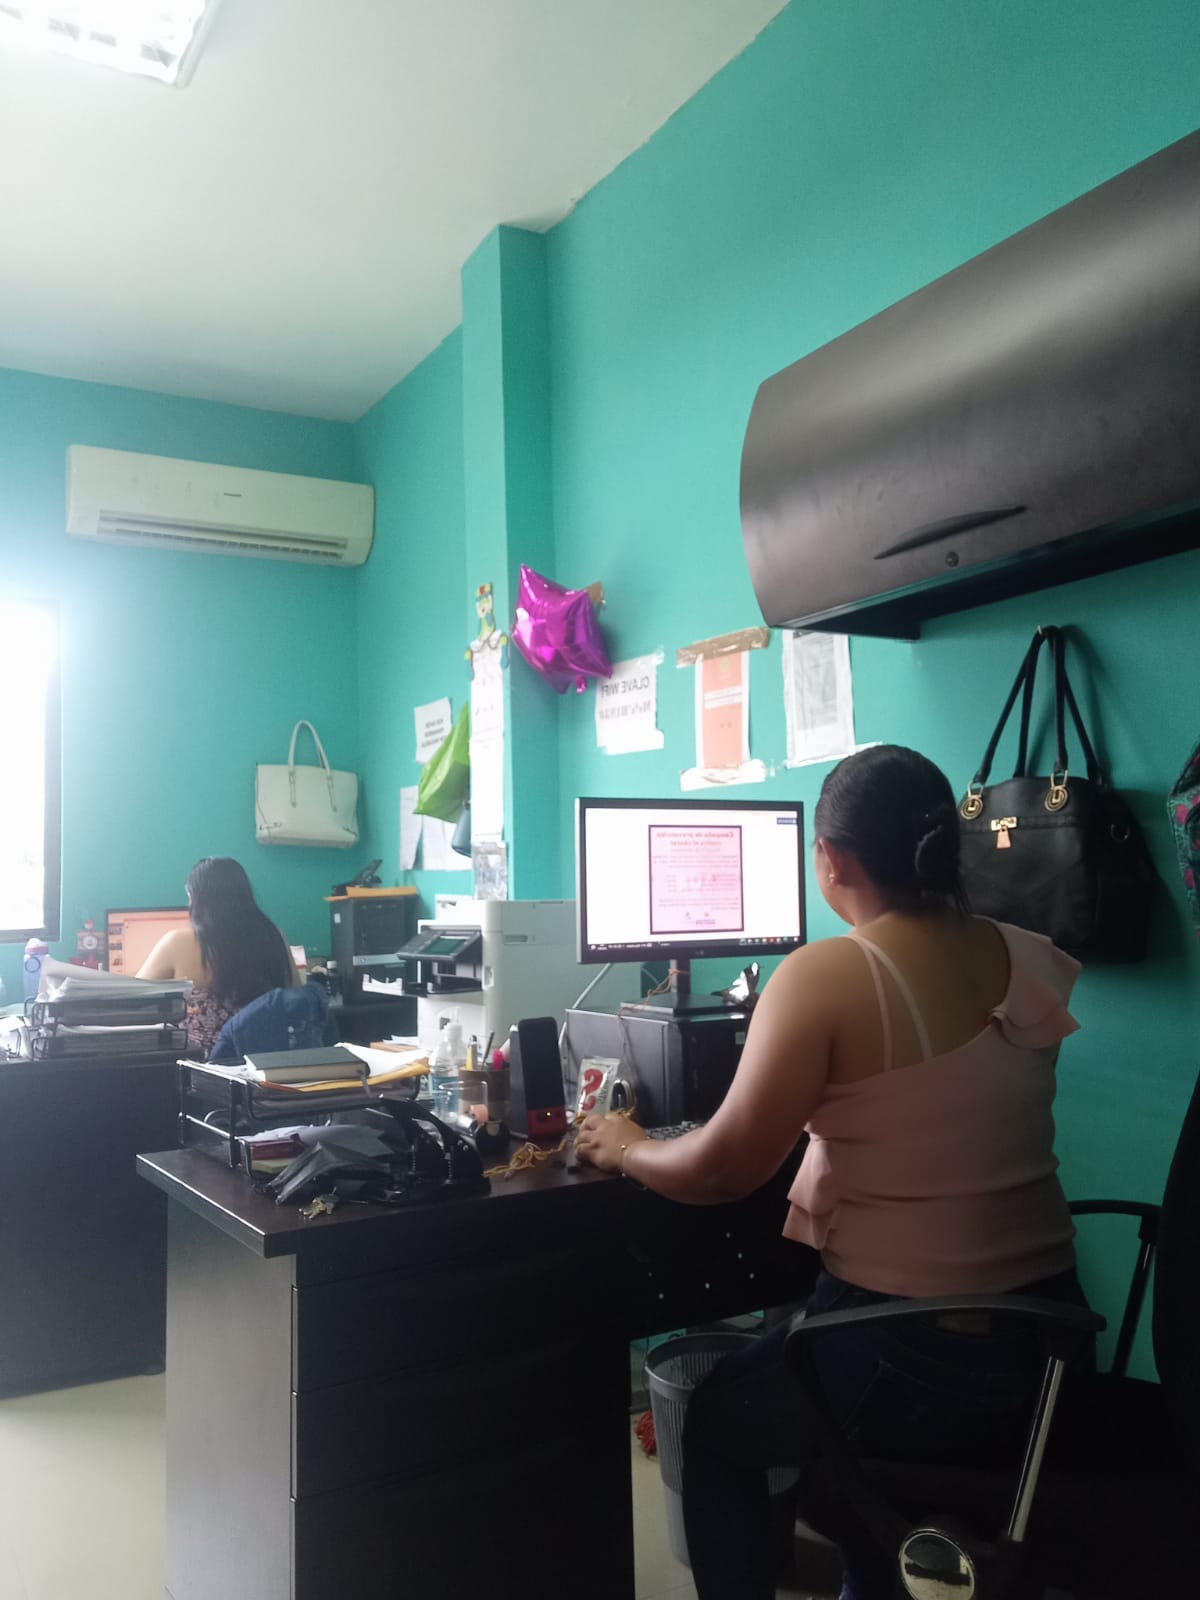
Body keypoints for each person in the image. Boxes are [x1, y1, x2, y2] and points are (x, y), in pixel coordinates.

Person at [576, 745, 1090, 1600]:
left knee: (717, 1418)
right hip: (1053, 1341)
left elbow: (723, 1170)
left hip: (915, 1356)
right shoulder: (1023, 952)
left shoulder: (828, 972)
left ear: (830, 859)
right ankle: (873, 1562)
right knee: (797, 1350)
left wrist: (626, 1144)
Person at [138, 857, 297, 1058]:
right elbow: (297, 996)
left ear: (195, 897)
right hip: (267, 1067)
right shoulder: (275, 936)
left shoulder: (179, 942)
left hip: (205, 1070)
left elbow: (131, 1001)